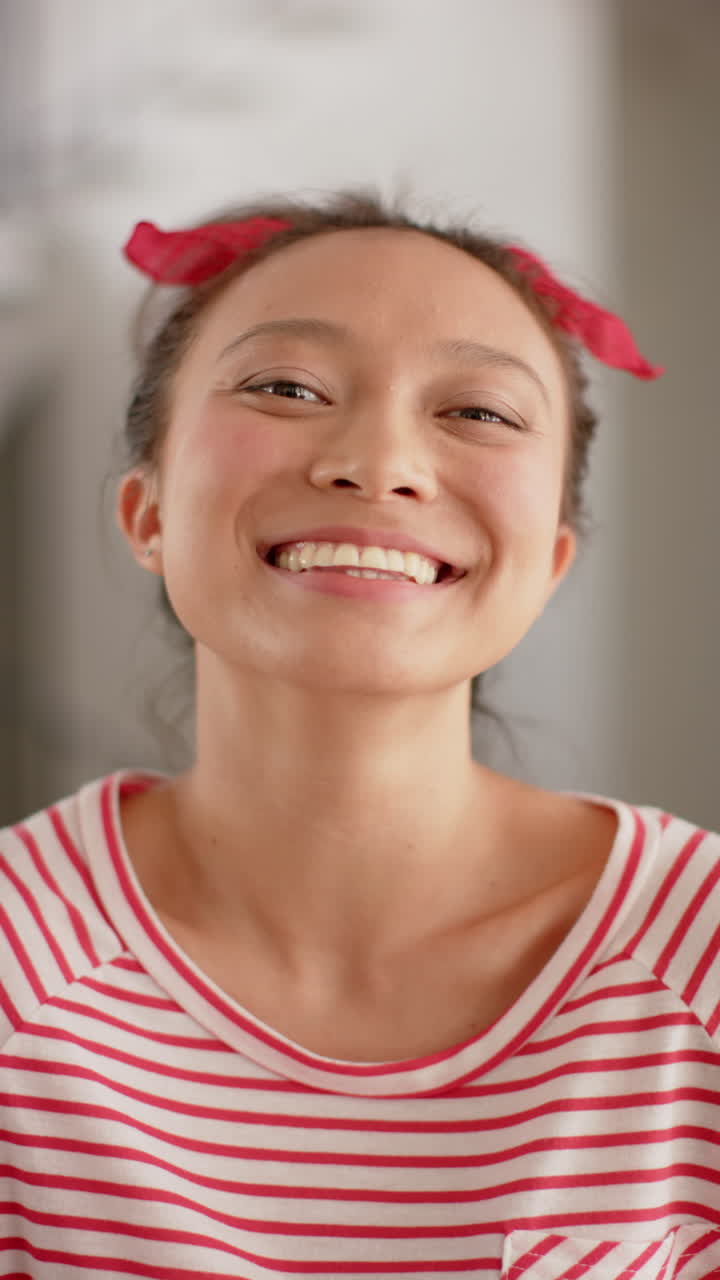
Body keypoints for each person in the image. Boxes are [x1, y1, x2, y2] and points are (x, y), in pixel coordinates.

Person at [2, 190, 718, 1279]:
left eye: (477, 411)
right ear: (147, 512)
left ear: (552, 562)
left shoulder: (697, 950)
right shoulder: (17, 961)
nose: (379, 461)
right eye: (285, 387)